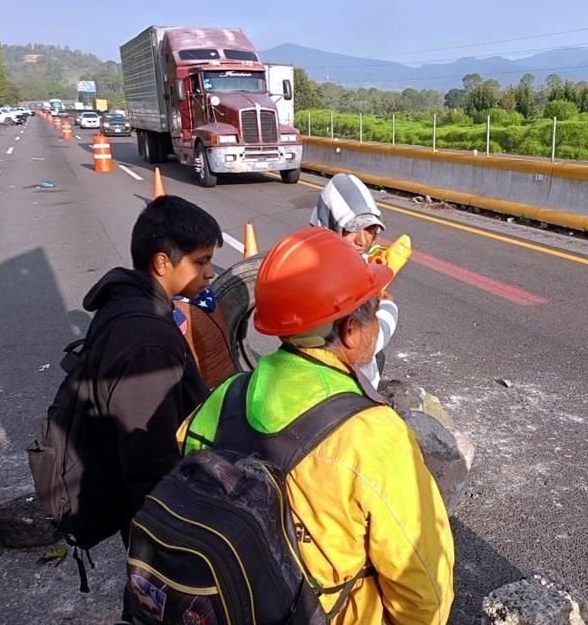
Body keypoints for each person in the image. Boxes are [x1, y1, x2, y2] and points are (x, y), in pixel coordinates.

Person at [179, 227, 455, 625]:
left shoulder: (222, 400)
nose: (377, 321)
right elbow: (424, 591)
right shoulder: (373, 436)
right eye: (374, 310)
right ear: (349, 330)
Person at [81, 194, 221, 540]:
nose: (210, 273)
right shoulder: (147, 342)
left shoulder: (128, 301)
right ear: (162, 263)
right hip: (159, 519)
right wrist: (169, 538)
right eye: (201, 261)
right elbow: (150, 458)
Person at [310, 172, 398, 387]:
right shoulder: (323, 276)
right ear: (328, 224)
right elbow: (366, 342)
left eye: (369, 229)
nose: (362, 240)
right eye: (350, 229)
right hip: (341, 391)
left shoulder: (340, 259)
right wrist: (389, 307)